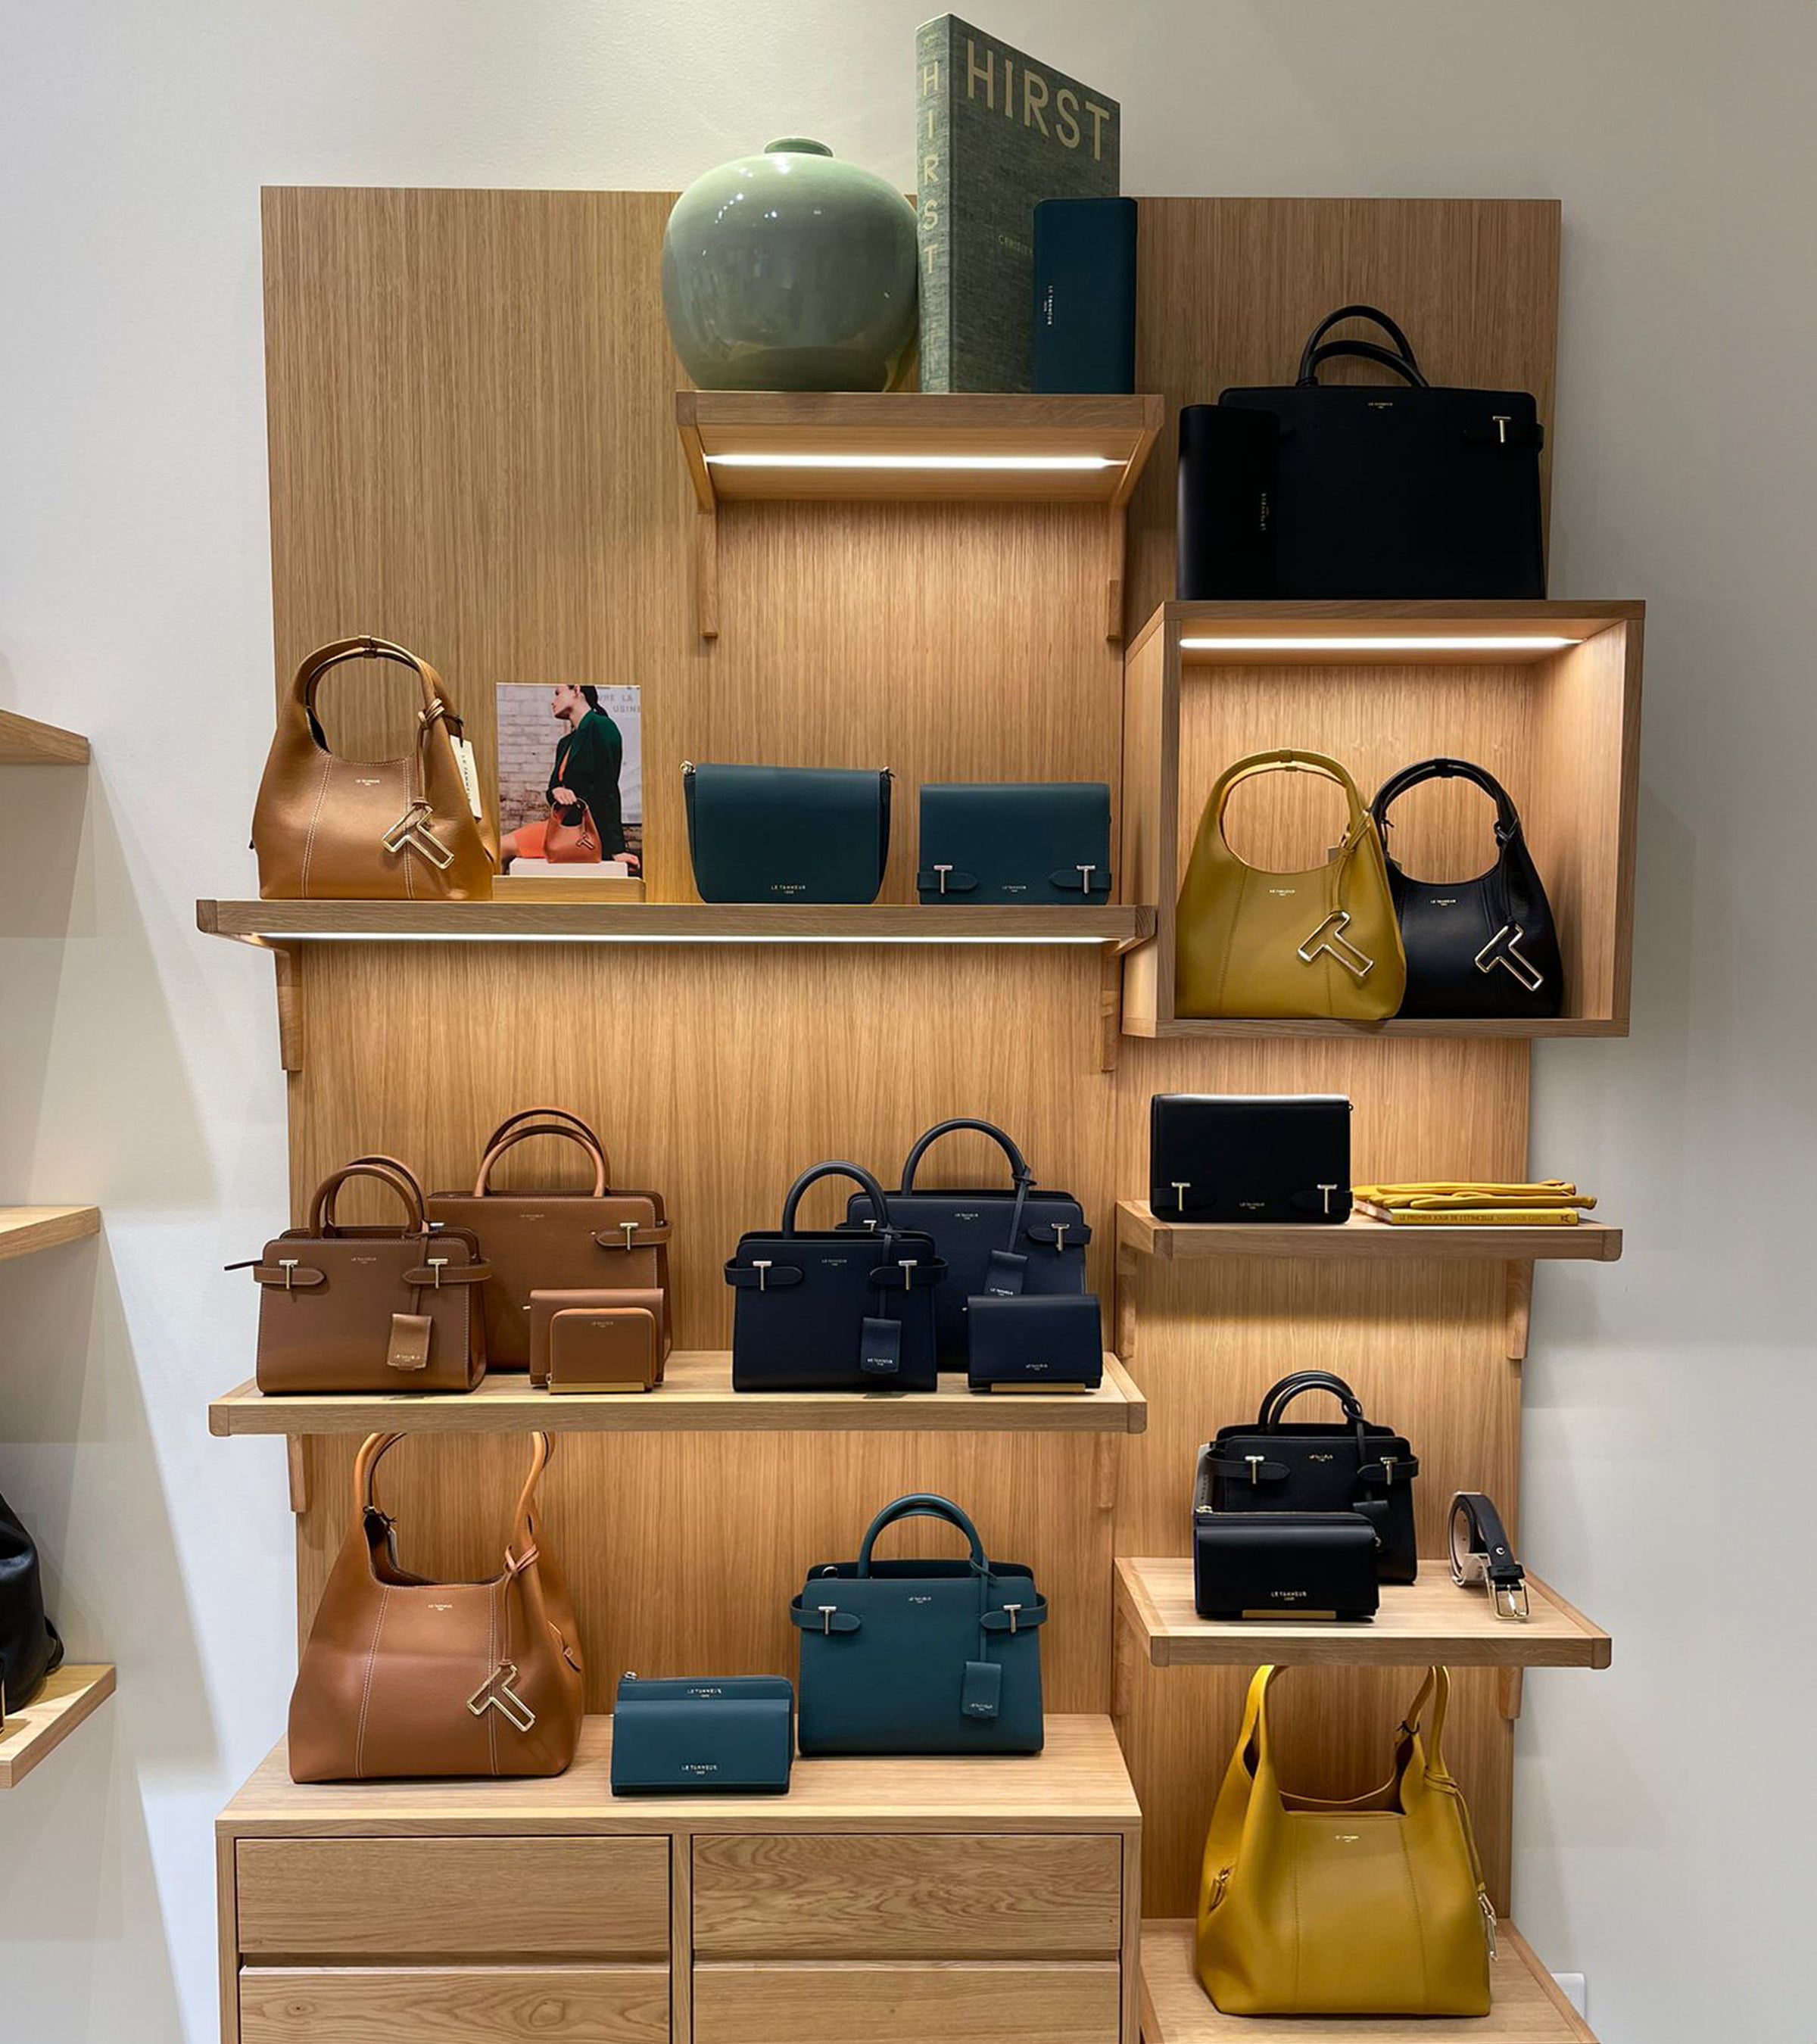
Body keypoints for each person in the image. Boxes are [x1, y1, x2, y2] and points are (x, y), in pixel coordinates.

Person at [500, 684, 636, 871]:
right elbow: (552, 790)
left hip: (585, 832)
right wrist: (557, 791)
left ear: (576, 691)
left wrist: (616, 849)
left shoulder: (602, 726)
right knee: (498, 847)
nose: (553, 701)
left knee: (501, 847)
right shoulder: (565, 743)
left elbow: (608, 789)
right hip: (559, 826)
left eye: (558, 693)